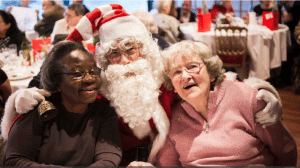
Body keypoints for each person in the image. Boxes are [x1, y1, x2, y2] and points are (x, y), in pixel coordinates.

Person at [1, 4, 284, 166]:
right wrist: (19, 99)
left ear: (145, 50)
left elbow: (214, 79)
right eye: (114, 52)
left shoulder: (163, 76)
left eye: (130, 48)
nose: (124, 59)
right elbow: (49, 82)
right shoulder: (95, 85)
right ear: (104, 58)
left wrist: (263, 92)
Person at [129, 41, 297, 166]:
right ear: (172, 83)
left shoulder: (246, 97)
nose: (186, 76)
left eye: (192, 66)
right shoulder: (173, 117)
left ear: (210, 74)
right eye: (177, 72)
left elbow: (285, 151)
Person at [3, 40, 122, 166]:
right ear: (56, 80)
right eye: (77, 73)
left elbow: (108, 159)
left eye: (93, 71)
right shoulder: (40, 108)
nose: (89, 78)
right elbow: (15, 161)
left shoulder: (104, 112)